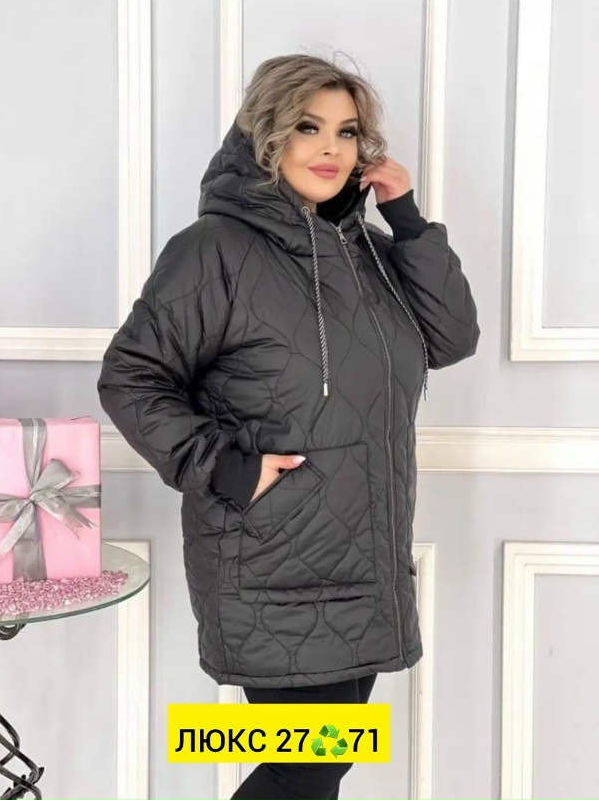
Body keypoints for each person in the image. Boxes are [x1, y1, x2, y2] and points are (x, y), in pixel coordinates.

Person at [98, 53, 479, 799]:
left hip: (364, 562)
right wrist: (227, 467)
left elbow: (452, 337)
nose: (331, 147)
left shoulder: (367, 252)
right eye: (309, 127)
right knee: (303, 772)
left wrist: (405, 218)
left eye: (347, 131)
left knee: (318, 770)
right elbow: (131, 377)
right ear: (266, 135)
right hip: (273, 563)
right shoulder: (213, 250)